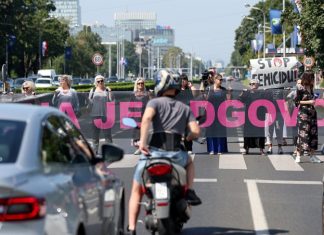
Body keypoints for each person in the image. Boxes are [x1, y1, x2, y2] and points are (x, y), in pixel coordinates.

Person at [127, 70, 201, 234]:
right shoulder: (184, 107)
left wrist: (143, 144)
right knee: (189, 162)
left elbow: (146, 119)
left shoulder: (154, 103)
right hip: (176, 155)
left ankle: (131, 227)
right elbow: (196, 130)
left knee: (136, 189)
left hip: (153, 154)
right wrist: (188, 137)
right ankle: (189, 191)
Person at [294, 71, 321, 163]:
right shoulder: (300, 87)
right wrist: (309, 102)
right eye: (312, 78)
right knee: (303, 134)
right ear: (308, 78)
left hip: (312, 113)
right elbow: (296, 102)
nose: (314, 80)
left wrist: (313, 100)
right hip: (303, 114)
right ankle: (298, 155)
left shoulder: (311, 87)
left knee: (313, 134)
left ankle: (312, 155)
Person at [238, 78, 266, 155]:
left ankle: (261, 149)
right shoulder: (247, 93)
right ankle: (246, 149)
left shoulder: (262, 93)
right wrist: (242, 92)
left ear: (258, 84)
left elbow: (267, 103)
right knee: (247, 132)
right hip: (249, 116)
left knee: (260, 133)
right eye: (251, 84)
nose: (252, 85)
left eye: (253, 83)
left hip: (259, 116)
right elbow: (239, 99)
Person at [206, 73, 230, 155]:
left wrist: (229, 92)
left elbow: (228, 101)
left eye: (221, 79)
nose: (221, 81)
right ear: (215, 80)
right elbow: (204, 99)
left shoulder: (223, 89)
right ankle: (212, 149)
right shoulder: (208, 89)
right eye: (220, 79)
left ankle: (220, 149)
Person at [88, 75, 113, 153]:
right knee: (95, 135)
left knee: (107, 135)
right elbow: (90, 102)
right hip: (95, 115)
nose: (100, 82)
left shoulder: (106, 90)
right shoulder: (93, 90)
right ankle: (95, 151)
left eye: (102, 80)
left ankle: (110, 151)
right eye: (98, 81)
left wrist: (110, 92)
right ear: (96, 82)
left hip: (105, 115)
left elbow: (110, 101)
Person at [130, 77, 150, 155]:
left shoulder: (147, 94)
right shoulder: (133, 94)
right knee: (137, 134)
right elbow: (131, 106)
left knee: (145, 132)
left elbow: (150, 104)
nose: (140, 85)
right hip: (136, 116)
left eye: (142, 83)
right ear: (136, 85)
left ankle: (145, 147)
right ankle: (139, 148)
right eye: (139, 83)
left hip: (145, 116)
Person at [177, 73, 196, 154]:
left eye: (184, 80)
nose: (183, 81)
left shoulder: (189, 90)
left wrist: (191, 86)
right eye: (181, 80)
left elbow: (196, 95)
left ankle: (189, 148)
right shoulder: (176, 90)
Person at [265, 87, 286, 154]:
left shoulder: (282, 87)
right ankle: (270, 146)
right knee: (269, 129)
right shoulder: (267, 86)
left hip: (279, 111)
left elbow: (286, 98)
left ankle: (280, 147)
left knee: (279, 129)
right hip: (269, 110)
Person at [286, 78, 302, 156]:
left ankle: (302, 148)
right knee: (295, 132)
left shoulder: (305, 92)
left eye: (301, 83)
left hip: (303, 115)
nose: (300, 84)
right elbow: (287, 98)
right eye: (298, 83)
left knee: (302, 132)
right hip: (294, 114)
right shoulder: (293, 92)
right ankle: (296, 147)